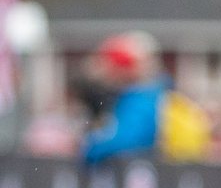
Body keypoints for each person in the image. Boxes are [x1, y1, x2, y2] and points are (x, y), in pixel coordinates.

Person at [80, 31, 211, 164]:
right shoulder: (160, 94)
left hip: (157, 176)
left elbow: (125, 140)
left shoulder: (142, 99)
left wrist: (90, 147)